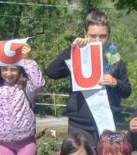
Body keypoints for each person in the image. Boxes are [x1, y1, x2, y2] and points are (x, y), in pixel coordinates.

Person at [46, 10, 131, 146]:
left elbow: (127, 91)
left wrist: (115, 83)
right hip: (80, 125)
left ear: (109, 35)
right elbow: (52, 72)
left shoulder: (113, 57)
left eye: (102, 36)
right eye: (93, 36)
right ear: (85, 33)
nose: (98, 40)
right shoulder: (78, 53)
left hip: (108, 124)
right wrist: (72, 49)